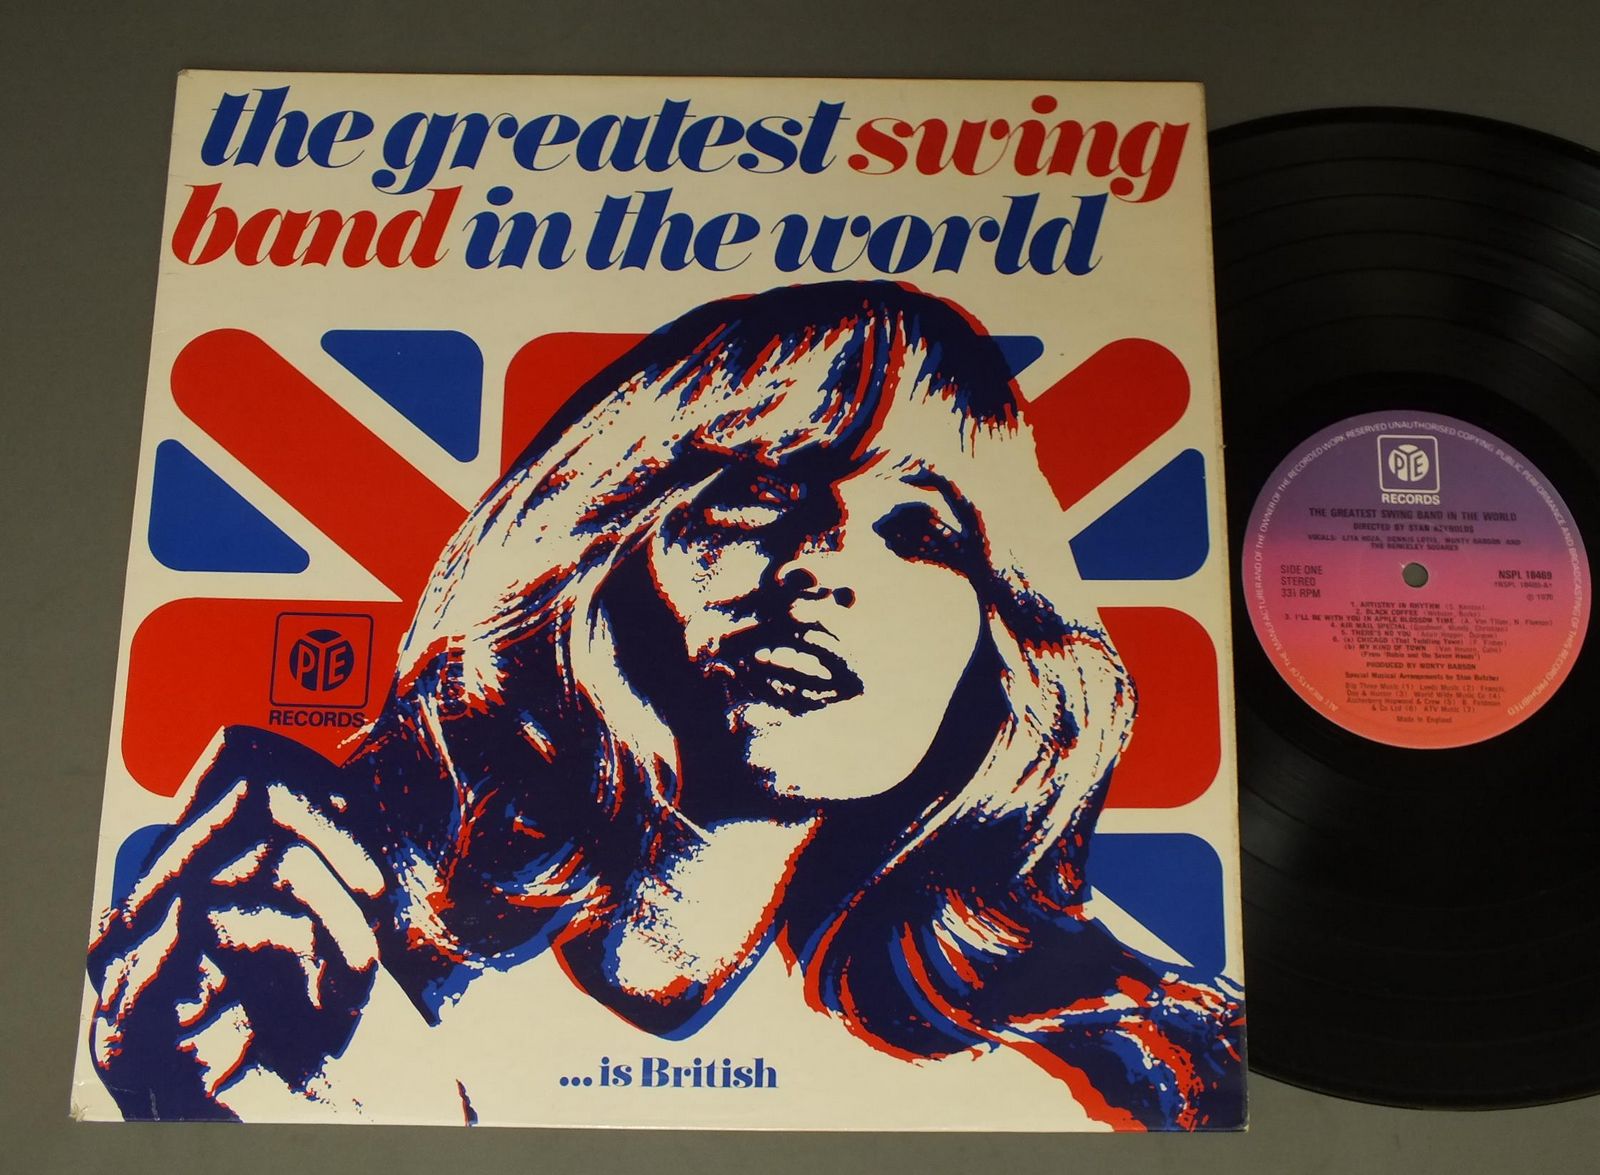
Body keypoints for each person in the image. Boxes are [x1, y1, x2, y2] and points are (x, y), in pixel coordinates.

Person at [87, 281, 1242, 1130]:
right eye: (765, 490)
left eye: (922, 532)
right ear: (593, 545)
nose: (825, 566)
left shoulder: (1124, 1062)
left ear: (1000, 646)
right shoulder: (300, 931)